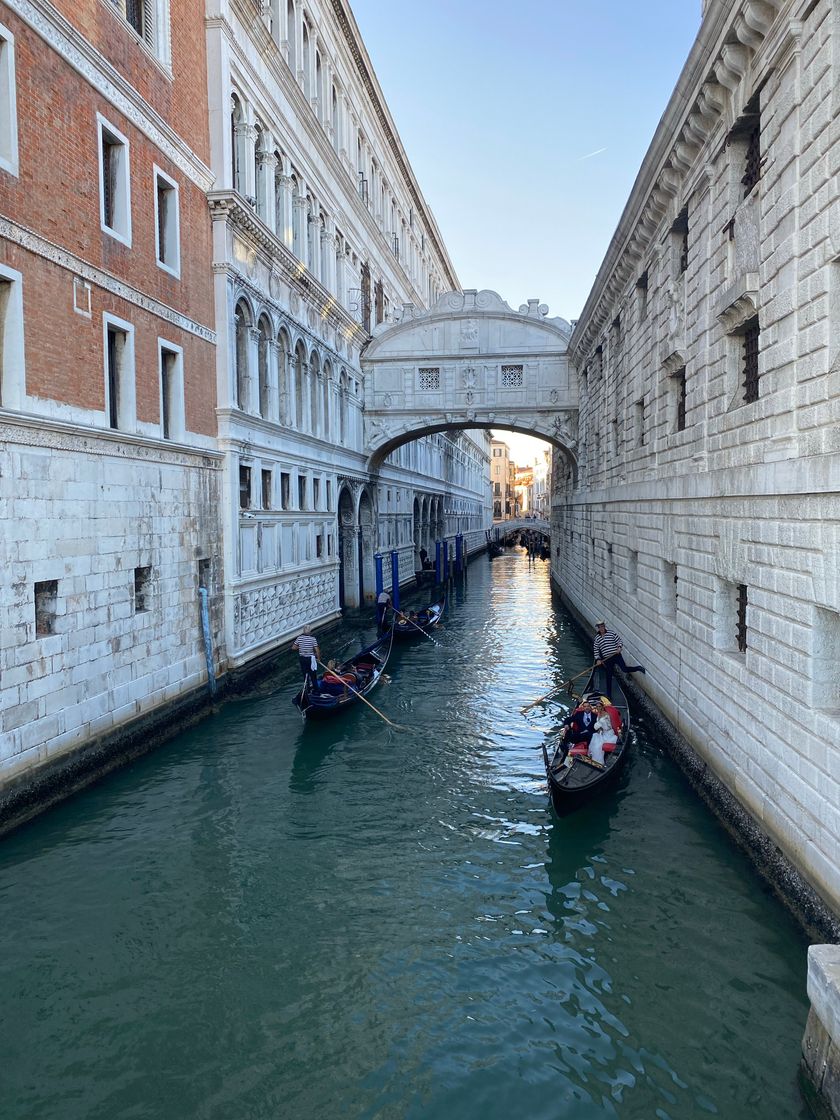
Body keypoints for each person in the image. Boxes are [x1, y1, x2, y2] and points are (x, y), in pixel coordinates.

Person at [593, 620, 646, 699]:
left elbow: (619, 641)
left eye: (602, 626)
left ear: (604, 626)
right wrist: (598, 660)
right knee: (608, 676)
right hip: (607, 659)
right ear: (598, 628)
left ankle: (638, 668)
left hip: (616, 655)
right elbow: (596, 650)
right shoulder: (597, 638)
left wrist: (619, 647)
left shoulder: (611, 633)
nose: (601, 628)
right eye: (600, 627)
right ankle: (609, 695)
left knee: (624, 669)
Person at [588, 700, 617, 765]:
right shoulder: (598, 714)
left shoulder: (606, 715)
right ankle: (592, 757)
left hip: (608, 733)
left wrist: (600, 725)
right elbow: (598, 727)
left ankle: (599, 762)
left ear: (602, 707)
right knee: (594, 736)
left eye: (599, 706)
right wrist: (600, 729)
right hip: (603, 732)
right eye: (597, 706)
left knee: (598, 745)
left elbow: (608, 727)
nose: (598, 708)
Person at [292, 625, 320, 691]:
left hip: (302, 659)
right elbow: (317, 650)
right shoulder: (313, 639)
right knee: (313, 675)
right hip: (310, 659)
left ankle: (307, 690)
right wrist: (318, 659)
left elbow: (293, 648)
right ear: (310, 631)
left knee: (305, 675)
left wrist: (301, 647)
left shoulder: (299, 638)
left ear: (304, 631)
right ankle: (316, 691)